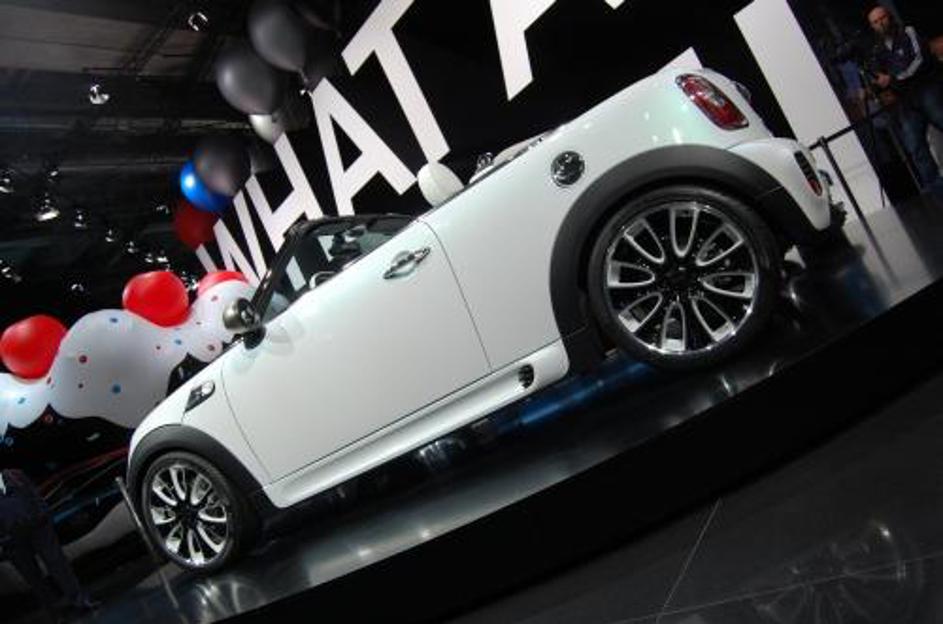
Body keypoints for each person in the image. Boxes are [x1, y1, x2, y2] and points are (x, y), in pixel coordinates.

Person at [0, 469, 99, 622]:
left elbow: (35, 495)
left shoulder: (14, 476)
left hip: (38, 526)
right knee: (33, 578)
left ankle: (80, 601)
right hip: (12, 538)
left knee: (58, 563)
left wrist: (44, 516)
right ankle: (56, 614)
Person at [867, 5, 943, 192]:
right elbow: (879, 76)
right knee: (915, 146)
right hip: (906, 100)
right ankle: (937, 192)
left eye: (882, 18)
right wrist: (875, 83)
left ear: (889, 17)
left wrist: (894, 79)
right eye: (875, 22)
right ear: (872, 26)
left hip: (925, 88)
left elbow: (920, 59)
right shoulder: (877, 50)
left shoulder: (908, 32)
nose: (880, 24)